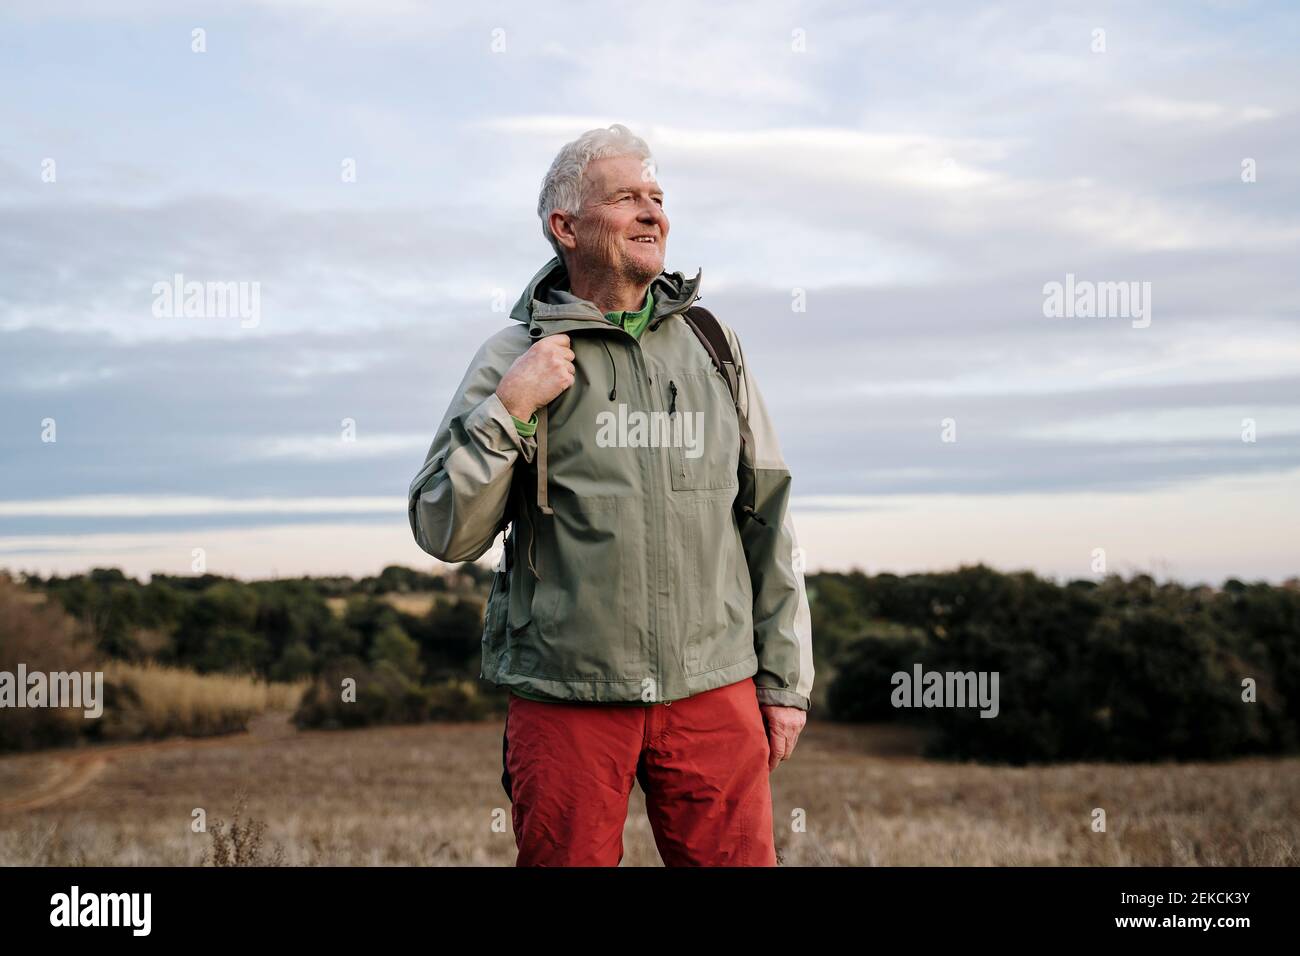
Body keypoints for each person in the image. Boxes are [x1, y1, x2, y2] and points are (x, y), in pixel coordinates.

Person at [408, 123, 813, 866]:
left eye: (657, 197)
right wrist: (510, 410)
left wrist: (784, 680)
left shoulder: (713, 344)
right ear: (565, 226)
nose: (653, 212)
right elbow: (444, 528)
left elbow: (768, 513)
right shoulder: (515, 354)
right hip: (566, 694)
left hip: (713, 688)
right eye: (627, 197)